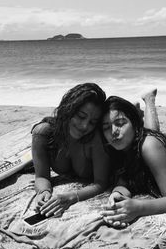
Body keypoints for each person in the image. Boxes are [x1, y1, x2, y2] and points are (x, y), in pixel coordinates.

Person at [100, 95, 166, 227]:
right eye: (106, 127)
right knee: (149, 138)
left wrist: (138, 207)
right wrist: (117, 195)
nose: (113, 132)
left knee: (149, 141)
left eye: (120, 123)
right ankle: (145, 103)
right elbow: (125, 180)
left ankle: (148, 101)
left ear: (135, 123)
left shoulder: (149, 146)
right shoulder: (118, 148)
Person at [32, 83, 111, 217]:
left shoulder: (94, 138)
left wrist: (72, 197)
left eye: (93, 122)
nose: (85, 126)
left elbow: (100, 183)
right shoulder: (43, 133)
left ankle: (146, 104)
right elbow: (41, 177)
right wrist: (44, 192)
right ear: (68, 108)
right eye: (81, 116)